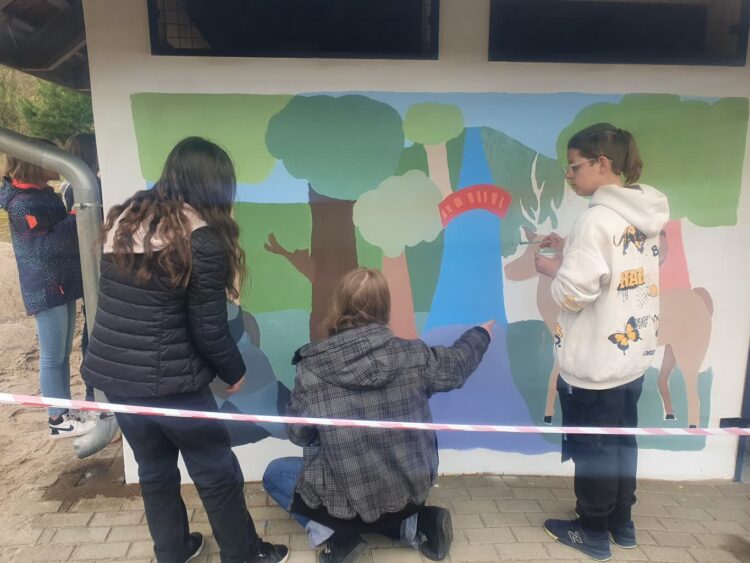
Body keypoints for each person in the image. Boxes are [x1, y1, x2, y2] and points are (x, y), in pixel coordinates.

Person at [81, 137, 288, 563]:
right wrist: (235, 373)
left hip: (117, 377)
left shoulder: (125, 220)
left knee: (154, 469)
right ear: (214, 186)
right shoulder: (201, 239)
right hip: (172, 383)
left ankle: (172, 551)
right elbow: (209, 329)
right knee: (215, 469)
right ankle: (244, 554)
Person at [263, 267, 494, 563]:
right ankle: (415, 525)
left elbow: (298, 435)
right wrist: (480, 335)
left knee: (275, 474)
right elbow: (456, 365)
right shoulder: (414, 355)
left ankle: (340, 539)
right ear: (384, 307)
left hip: (345, 496)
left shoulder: (313, 368)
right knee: (383, 496)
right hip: (408, 489)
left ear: (339, 306)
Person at [534, 123, 669, 561]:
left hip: (595, 361)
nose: (569, 176)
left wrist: (554, 269)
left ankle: (591, 530)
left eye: (574, 167)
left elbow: (577, 293)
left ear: (601, 164)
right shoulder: (643, 212)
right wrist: (571, 246)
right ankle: (621, 524)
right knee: (621, 441)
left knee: (594, 448)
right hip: (632, 356)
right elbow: (623, 263)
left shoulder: (595, 217)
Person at [0, 141, 95, 439]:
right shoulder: (22, 204)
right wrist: (80, 217)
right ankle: (57, 418)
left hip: (61, 283)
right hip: (45, 287)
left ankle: (65, 410)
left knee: (63, 352)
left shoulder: (41, 195)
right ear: (34, 163)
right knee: (53, 355)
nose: (60, 166)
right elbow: (47, 244)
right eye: (55, 160)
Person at [61, 132, 102, 406]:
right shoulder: (81, 188)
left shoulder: (70, 187)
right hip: (90, 266)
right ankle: (93, 394)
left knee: (93, 326)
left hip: (91, 264)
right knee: (94, 329)